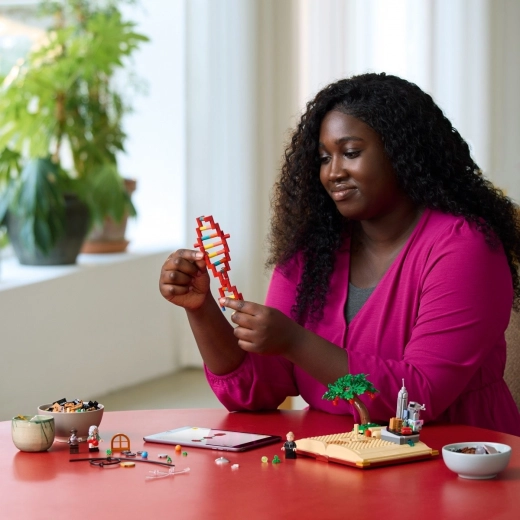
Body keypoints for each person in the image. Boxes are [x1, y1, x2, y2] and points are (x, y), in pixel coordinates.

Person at [159, 72, 520, 436]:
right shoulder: (314, 248)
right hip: (337, 458)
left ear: (402, 152)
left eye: (350, 153)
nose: (332, 173)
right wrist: (201, 310)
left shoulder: (464, 247)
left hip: (456, 456)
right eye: (323, 158)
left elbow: (417, 399)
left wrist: (296, 342)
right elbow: (257, 391)